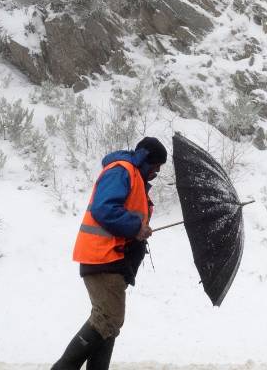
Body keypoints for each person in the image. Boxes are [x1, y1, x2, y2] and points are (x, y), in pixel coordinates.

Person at [50, 136, 167, 370]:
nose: (156, 172)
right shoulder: (121, 170)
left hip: (113, 259)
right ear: (145, 158)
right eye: (155, 166)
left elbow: (126, 213)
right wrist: (136, 227)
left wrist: (140, 228)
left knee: (108, 325)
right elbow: (104, 208)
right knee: (108, 318)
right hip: (103, 256)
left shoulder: (135, 177)